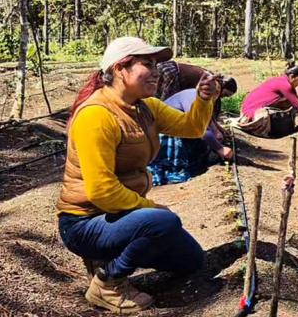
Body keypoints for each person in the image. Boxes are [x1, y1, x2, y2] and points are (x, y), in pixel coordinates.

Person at [56, 37, 219, 313]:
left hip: (119, 216)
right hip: (84, 223)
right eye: (147, 64)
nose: (156, 71)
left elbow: (191, 128)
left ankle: (109, 256)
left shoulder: (146, 108)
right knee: (162, 221)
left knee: (192, 261)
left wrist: (204, 100)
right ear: (121, 68)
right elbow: (102, 191)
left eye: (157, 64)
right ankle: (108, 283)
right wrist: (151, 208)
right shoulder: (96, 116)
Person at [148, 78, 238, 185]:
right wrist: (220, 149)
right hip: (166, 134)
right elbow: (201, 129)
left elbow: (206, 119)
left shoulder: (205, 100)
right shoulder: (192, 97)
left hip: (178, 130)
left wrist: (216, 130)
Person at [238, 63, 298, 137]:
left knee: (287, 103)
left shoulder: (281, 80)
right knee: (283, 113)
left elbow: (295, 102)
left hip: (245, 110)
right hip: (250, 115)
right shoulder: (285, 85)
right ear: (292, 77)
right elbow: (297, 103)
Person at [156, 60, 232, 100]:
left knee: (156, 96)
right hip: (173, 73)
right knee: (166, 103)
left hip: (167, 66)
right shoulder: (213, 83)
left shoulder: (211, 76)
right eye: (225, 94)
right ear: (223, 85)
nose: (222, 97)